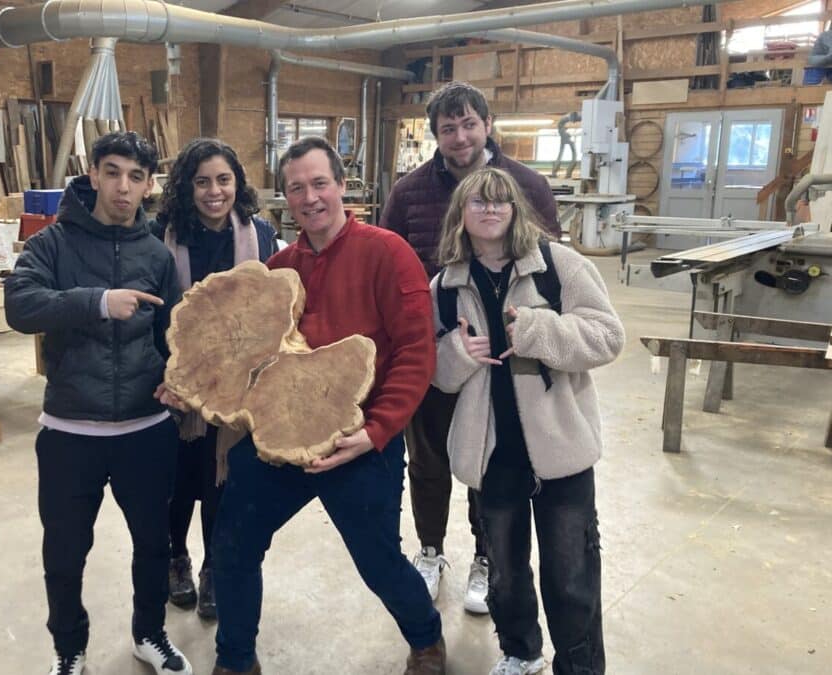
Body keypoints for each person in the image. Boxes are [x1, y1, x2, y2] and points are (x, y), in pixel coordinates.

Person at [203, 137, 445, 675]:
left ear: (341, 186)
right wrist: (202, 386)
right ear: (284, 198)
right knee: (233, 545)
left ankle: (427, 638)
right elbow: (254, 356)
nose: (310, 197)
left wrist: (378, 431)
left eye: (319, 183)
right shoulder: (279, 268)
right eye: (296, 188)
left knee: (377, 559)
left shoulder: (387, 253)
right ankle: (235, 660)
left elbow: (415, 353)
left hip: (359, 441)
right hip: (279, 439)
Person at [5, 131, 193, 675]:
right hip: (70, 431)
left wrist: (178, 384)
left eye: (136, 176)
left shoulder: (157, 256)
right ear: (93, 175)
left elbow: (172, 338)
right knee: (65, 555)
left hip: (145, 428)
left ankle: (149, 634)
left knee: (153, 547)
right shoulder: (53, 244)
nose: (123, 187)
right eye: (112, 172)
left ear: (149, 185)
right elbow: (19, 305)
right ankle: (69, 650)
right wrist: (97, 302)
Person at [431, 167, 623, 675]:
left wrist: (540, 330)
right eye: (478, 202)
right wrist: (457, 351)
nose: (490, 210)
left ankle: (579, 666)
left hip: (560, 451)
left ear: (515, 209)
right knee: (505, 573)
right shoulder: (446, 285)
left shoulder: (559, 267)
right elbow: (436, 374)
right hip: (492, 455)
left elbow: (607, 337)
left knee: (572, 574)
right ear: (461, 214)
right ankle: (520, 651)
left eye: (499, 201)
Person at [380, 81, 560, 612]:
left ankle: (488, 557)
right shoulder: (408, 192)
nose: (459, 137)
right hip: (430, 352)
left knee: (492, 458)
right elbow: (387, 264)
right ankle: (431, 551)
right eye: (447, 128)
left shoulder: (526, 184)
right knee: (429, 459)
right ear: (434, 134)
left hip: (502, 355)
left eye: (468, 124)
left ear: (487, 124)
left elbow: (547, 269)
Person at [152, 137, 280, 621]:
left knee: (221, 482)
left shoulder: (261, 236)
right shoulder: (159, 235)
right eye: (201, 181)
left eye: (223, 180)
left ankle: (212, 570)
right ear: (185, 186)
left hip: (235, 387)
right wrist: (169, 375)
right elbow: (152, 312)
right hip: (176, 384)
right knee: (177, 484)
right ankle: (176, 558)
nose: (213, 191)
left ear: (237, 184)